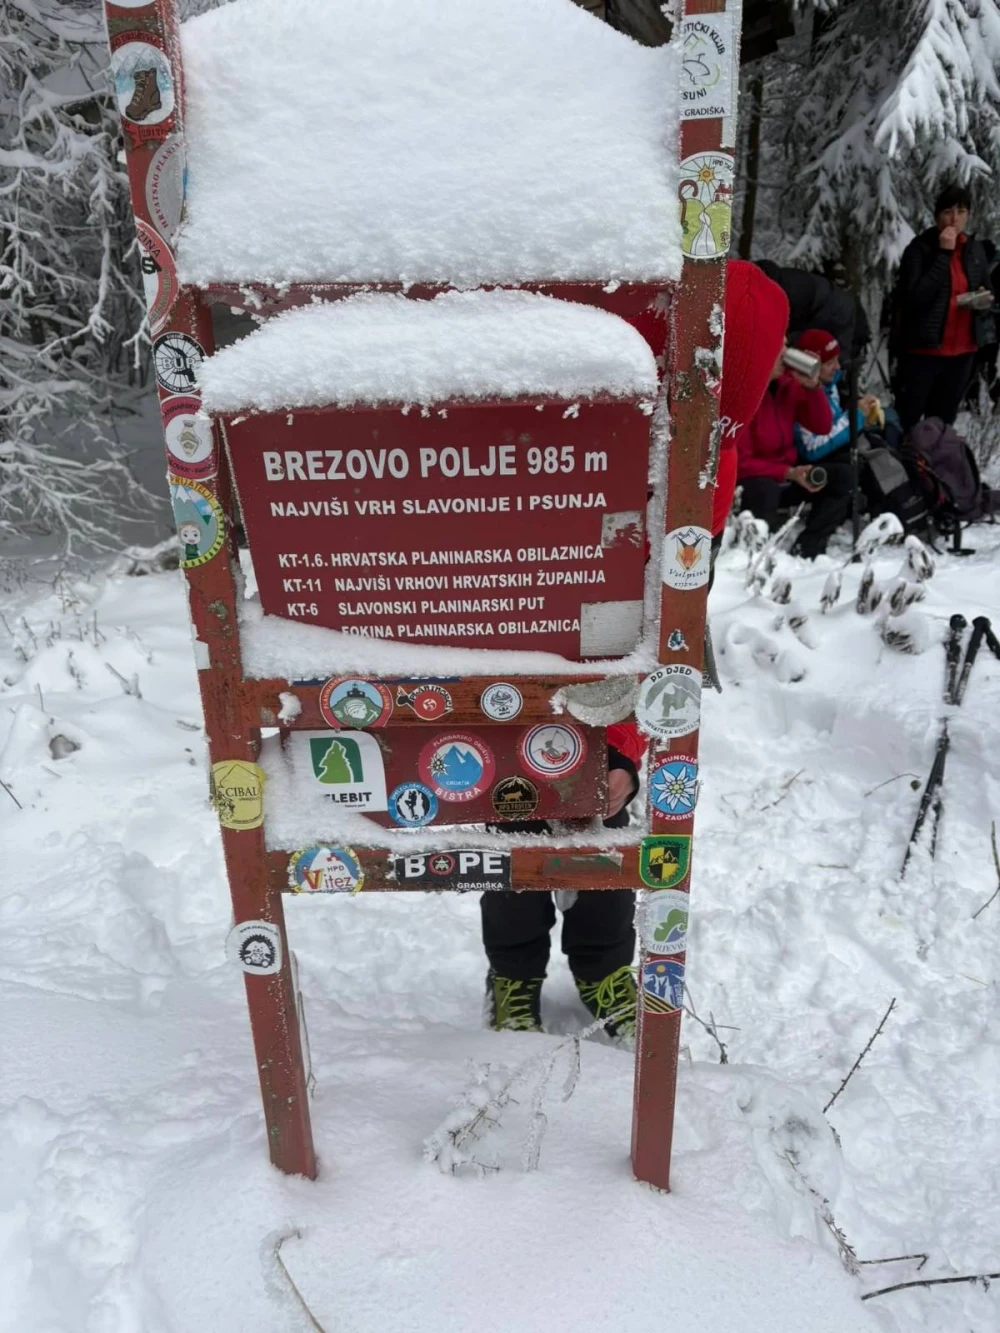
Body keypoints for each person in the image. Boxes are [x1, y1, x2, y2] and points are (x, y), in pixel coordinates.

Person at [483, 261, 791, 1039]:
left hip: (618, 645)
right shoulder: (556, 400)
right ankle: (512, 971)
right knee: (513, 796)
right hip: (519, 626)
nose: (713, 436)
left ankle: (600, 964)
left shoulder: (704, 453)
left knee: (613, 798)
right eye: (701, 415)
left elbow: (668, 623)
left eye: (726, 423)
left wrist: (620, 743)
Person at [736, 341, 856, 558]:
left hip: (789, 472)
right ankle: (757, 556)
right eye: (779, 348)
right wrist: (787, 472)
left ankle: (808, 548)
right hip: (755, 480)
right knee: (765, 490)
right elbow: (741, 463)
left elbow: (822, 426)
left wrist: (812, 387)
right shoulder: (744, 392)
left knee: (844, 475)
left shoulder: (786, 385)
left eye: (786, 347)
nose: (786, 355)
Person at [892, 184, 997, 431]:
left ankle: (933, 466)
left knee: (942, 423)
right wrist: (943, 255)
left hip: (962, 352)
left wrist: (982, 299)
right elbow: (916, 297)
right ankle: (903, 465)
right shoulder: (919, 249)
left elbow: (986, 288)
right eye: (948, 212)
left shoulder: (974, 250)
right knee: (909, 418)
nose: (955, 218)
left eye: (961, 211)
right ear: (937, 215)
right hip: (923, 351)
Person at [793, 329, 882, 463]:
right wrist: (855, 417)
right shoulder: (798, 395)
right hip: (818, 464)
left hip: (838, 451)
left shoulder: (831, 384)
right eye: (829, 363)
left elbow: (835, 422)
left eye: (837, 359)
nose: (837, 367)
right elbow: (811, 449)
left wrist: (863, 416)